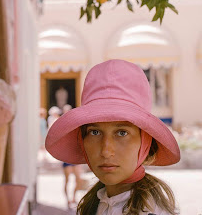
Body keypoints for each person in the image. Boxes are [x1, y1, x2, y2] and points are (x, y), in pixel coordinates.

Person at [45, 59, 180, 215]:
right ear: (82, 140)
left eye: (122, 133)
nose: (106, 151)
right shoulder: (96, 204)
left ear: (146, 141)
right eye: (94, 132)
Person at [61, 104, 82, 208]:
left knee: (78, 179)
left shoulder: (76, 124)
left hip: (76, 156)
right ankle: (67, 200)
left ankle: (74, 197)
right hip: (66, 156)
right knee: (67, 180)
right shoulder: (62, 125)